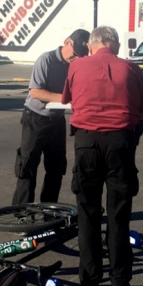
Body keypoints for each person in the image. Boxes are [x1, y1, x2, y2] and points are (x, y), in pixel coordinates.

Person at [61, 26, 143, 286]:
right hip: (120, 144)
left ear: (91, 45)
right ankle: (119, 282)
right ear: (116, 45)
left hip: (86, 143)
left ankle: (89, 282)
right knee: (119, 214)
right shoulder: (132, 69)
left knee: (87, 212)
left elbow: (68, 100)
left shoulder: (77, 67)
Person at [11, 28, 91, 205]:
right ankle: (21, 212)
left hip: (56, 120)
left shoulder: (75, 66)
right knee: (27, 167)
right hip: (35, 119)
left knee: (56, 168)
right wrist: (65, 99)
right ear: (67, 43)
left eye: (81, 56)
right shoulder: (45, 59)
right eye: (75, 53)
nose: (76, 58)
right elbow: (36, 91)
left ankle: (48, 210)